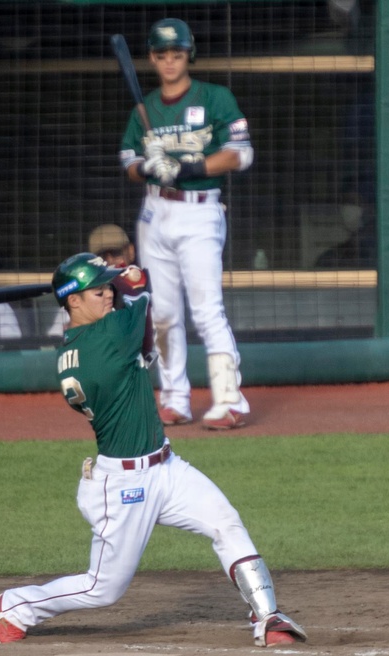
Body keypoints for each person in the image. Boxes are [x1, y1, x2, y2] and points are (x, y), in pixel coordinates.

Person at [0, 252, 306, 647]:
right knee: (101, 589)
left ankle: (268, 617)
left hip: (166, 467)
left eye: (107, 288)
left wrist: (116, 284)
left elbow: (140, 336)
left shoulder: (77, 345)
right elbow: (140, 297)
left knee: (225, 522)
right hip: (123, 487)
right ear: (73, 301)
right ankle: (18, 605)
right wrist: (130, 281)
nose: (107, 294)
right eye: (97, 290)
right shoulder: (106, 339)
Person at [119, 18, 253, 429]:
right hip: (156, 212)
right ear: (153, 59)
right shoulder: (145, 109)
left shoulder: (214, 98)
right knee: (161, 312)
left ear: (187, 55)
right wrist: (149, 166)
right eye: (162, 55)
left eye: (176, 54)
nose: (169, 62)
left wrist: (185, 166)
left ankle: (230, 401)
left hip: (199, 209)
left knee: (206, 309)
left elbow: (240, 154)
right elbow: (128, 161)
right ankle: (175, 397)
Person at [46, 224, 138, 337]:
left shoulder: (153, 288)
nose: (109, 261)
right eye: (101, 257)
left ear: (130, 251)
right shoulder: (77, 299)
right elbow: (56, 341)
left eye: (115, 253)